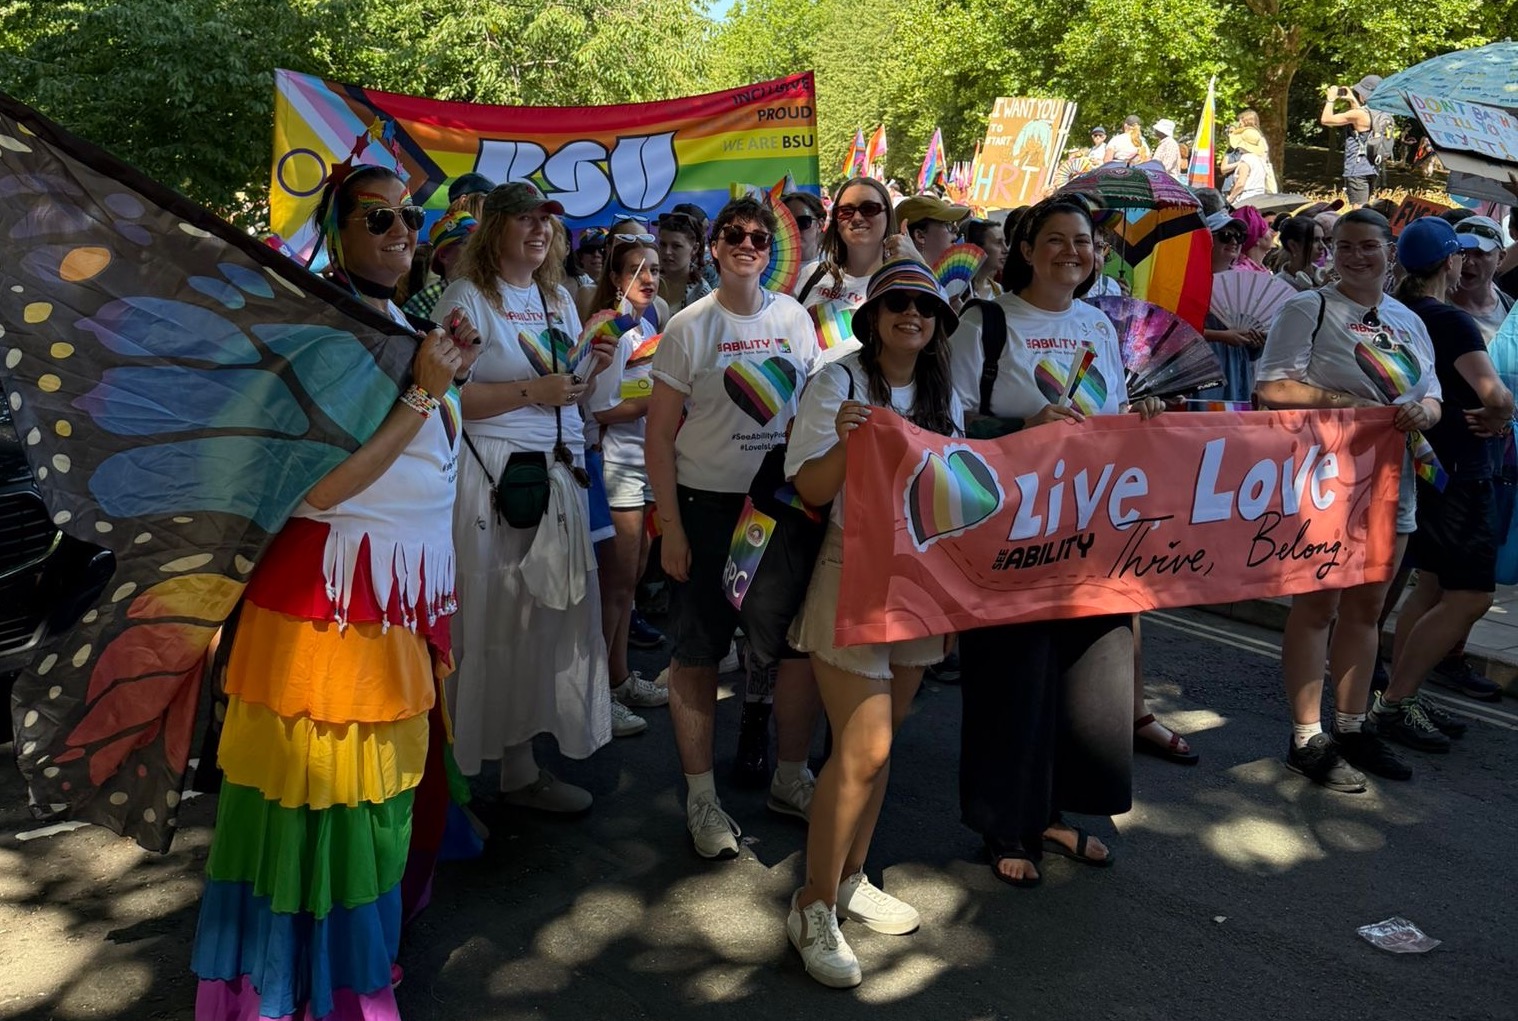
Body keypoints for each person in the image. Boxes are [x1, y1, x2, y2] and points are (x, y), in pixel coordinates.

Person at [190, 165, 478, 1020]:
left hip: (391, 605)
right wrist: (426, 391)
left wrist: (443, 372)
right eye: (379, 217)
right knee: (324, 808)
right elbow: (315, 489)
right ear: (338, 229)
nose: (401, 232)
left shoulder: (397, 325)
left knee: (380, 805)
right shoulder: (318, 334)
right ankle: (306, 991)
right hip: (325, 617)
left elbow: (423, 450)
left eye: (411, 218)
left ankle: (353, 965)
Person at [946, 196, 1166, 887]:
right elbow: (947, 427)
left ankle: (1056, 813)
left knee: (1085, 675)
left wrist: (1139, 416)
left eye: (1085, 242)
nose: (1074, 251)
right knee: (1013, 674)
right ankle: (1003, 823)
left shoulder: (1099, 323)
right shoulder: (982, 323)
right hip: (1010, 527)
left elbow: (1105, 414)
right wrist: (1024, 426)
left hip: (1091, 526)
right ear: (1027, 249)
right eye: (1057, 240)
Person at [782, 258, 960, 987]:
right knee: (864, 746)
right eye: (897, 304)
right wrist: (849, 444)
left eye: (924, 305)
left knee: (881, 753)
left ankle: (851, 875)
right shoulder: (838, 382)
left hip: (923, 582)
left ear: (938, 320)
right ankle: (811, 902)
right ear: (873, 315)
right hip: (849, 576)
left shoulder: (948, 389)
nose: (911, 314)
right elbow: (808, 486)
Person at [646, 196, 824, 859]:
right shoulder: (690, 326)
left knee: (791, 649)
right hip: (707, 508)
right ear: (714, 247)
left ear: (767, 250)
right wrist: (671, 527)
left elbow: (812, 410)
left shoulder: (795, 319)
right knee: (697, 654)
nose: (748, 244)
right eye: (735, 235)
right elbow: (659, 436)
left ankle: (790, 777)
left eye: (758, 236)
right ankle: (701, 797)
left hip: (778, 509)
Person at [436, 181, 615, 812]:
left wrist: (593, 366)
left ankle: (519, 767)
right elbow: (441, 395)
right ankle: (451, 788)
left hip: (552, 479)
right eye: (526, 220)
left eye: (548, 223)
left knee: (539, 620)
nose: (540, 231)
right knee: (486, 620)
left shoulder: (557, 297)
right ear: (497, 228)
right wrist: (530, 395)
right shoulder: (467, 297)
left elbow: (568, 393)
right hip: (491, 481)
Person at [1255, 208, 1443, 790]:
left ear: (1391, 252)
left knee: (1368, 609)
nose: (1357, 256)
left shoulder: (1408, 319)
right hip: (1327, 477)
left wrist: (1424, 411)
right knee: (1319, 609)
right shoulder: (1307, 309)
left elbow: (1432, 394)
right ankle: (1307, 738)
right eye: (1344, 247)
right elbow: (1270, 388)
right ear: (1330, 252)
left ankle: (1354, 727)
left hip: (1396, 477)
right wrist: (1346, 402)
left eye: (1369, 246)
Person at [1371, 217, 1513, 750]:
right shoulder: (1452, 322)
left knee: (1429, 585)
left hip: (1423, 468)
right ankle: (1397, 701)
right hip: (1463, 472)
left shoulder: (1399, 314)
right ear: (1450, 261)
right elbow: (1494, 395)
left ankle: (1406, 693)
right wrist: (1505, 412)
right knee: (1472, 596)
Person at [587, 236, 672, 737]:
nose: (649, 279)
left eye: (655, 270)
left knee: (631, 579)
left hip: (643, 462)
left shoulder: (646, 326)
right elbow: (595, 409)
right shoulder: (609, 329)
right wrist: (654, 404)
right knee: (615, 586)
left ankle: (618, 679)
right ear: (616, 278)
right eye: (638, 270)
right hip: (615, 464)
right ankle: (598, 692)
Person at [1200, 210, 1261, 402]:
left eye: (1239, 236)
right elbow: (1181, 332)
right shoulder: (1191, 281)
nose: (1234, 241)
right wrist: (1221, 336)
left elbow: (1256, 338)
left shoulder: (1246, 283)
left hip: (1237, 366)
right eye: (1226, 236)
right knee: (1206, 423)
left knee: (1235, 422)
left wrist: (1257, 340)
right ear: (1208, 240)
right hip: (1204, 367)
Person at [1320, 75, 1383, 208]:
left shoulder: (1358, 115)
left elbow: (1326, 119)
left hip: (1357, 168)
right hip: (1373, 166)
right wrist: (1351, 99)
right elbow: (1361, 117)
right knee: (1366, 206)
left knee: (1358, 210)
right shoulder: (1382, 113)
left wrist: (1330, 100)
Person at [403, 209, 477, 320]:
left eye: (480, 243)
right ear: (444, 256)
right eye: (469, 243)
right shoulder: (423, 303)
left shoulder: (491, 292)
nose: (479, 250)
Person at [1452, 216, 1516, 343]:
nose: (1468, 262)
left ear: (1500, 258)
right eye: (1462, 252)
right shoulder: (1432, 302)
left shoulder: (1509, 308)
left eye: (1479, 254)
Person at [657, 211, 711, 314]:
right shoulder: (649, 281)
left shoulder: (702, 294)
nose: (667, 252)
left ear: (695, 248)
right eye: (663, 244)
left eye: (676, 246)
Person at [896, 193, 970, 268]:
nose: (956, 229)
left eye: (953, 223)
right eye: (947, 223)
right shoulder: (905, 276)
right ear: (920, 235)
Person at [1274, 215, 1328, 292]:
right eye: (1315, 240)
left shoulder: (1326, 277)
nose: (1322, 246)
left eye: (1322, 240)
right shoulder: (1277, 286)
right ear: (1293, 245)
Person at [962, 217, 1008, 300]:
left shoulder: (997, 290)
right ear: (977, 247)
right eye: (998, 243)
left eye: (1005, 242)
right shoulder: (957, 292)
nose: (1006, 249)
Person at [1226, 129, 1274, 205]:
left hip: (1246, 199)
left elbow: (1241, 184)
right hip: (1260, 197)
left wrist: (1230, 199)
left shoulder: (1246, 159)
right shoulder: (1260, 159)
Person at [785, 191, 826, 265]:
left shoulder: (837, 264)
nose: (794, 229)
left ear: (820, 225)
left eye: (803, 222)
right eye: (787, 223)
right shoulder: (769, 267)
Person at [1235, 206, 1275, 273]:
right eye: (1266, 228)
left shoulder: (1260, 270)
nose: (1271, 231)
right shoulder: (1242, 274)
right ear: (1256, 239)